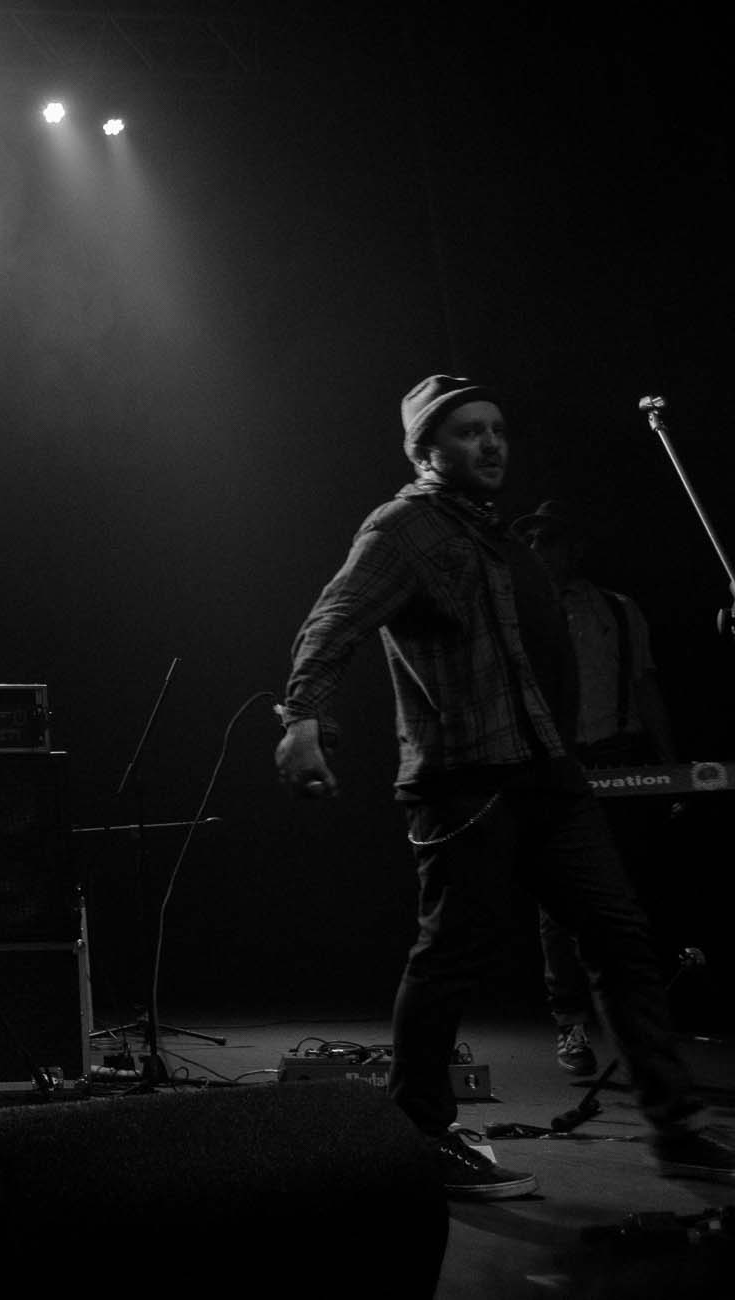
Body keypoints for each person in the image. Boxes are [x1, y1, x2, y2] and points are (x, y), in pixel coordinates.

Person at [274, 375, 734, 1198]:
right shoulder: (404, 528)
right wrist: (306, 719)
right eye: (468, 432)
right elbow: (333, 620)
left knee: (622, 937)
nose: (491, 443)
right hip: (465, 782)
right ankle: (420, 1135)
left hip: (546, 774)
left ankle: (676, 1127)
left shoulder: (501, 539)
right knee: (450, 957)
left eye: (497, 429)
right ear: (425, 449)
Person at [513, 498, 680, 1077]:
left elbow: (645, 689)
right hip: (553, 763)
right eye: (528, 539)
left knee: (621, 902)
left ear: (573, 548)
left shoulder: (618, 609)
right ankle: (571, 1023)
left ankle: (637, 1033)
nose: (535, 548)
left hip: (617, 759)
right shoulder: (518, 612)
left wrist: (672, 769)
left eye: (547, 539)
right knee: (557, 904)